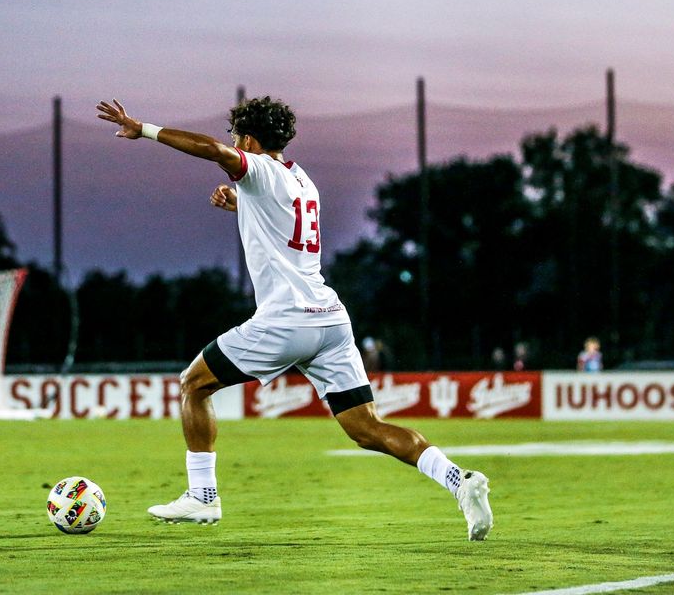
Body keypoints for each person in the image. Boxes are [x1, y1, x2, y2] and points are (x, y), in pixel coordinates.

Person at [96, 96, 493, 540]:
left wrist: (142, 128)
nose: (233, 146)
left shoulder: (259, 169)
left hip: (287, 319)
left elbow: (211, 149)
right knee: (367, 428)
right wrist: (240, 206)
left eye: (236, 140)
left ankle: (203, 497)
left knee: (194, 384)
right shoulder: (303, 182)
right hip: (330, 321)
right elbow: (279, 225)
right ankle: (462, 482)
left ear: (248, 139)